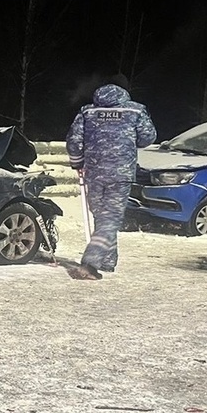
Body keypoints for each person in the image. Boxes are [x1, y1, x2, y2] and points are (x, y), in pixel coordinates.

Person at [65, 83, 157, 280]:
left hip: (94, 172)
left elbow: (73, 140)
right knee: (110, 219)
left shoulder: (88, 112)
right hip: (121, 173)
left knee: (102, 216)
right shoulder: (134, 110)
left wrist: (77, 163)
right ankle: (90, 264)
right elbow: (148, 138)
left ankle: (107, 261)